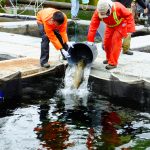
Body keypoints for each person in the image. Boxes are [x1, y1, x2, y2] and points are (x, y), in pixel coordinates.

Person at [87, 0, 135, 70]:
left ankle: (113, 63)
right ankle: (109, 58)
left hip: (121, 25)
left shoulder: (118, 7)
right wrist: (90, 41)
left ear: (109, 8)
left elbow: (129, 16)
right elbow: (92, 27)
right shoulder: (97, 12)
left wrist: (130, 30)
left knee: (115, 42)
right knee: (106, 43)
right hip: (109, 26)